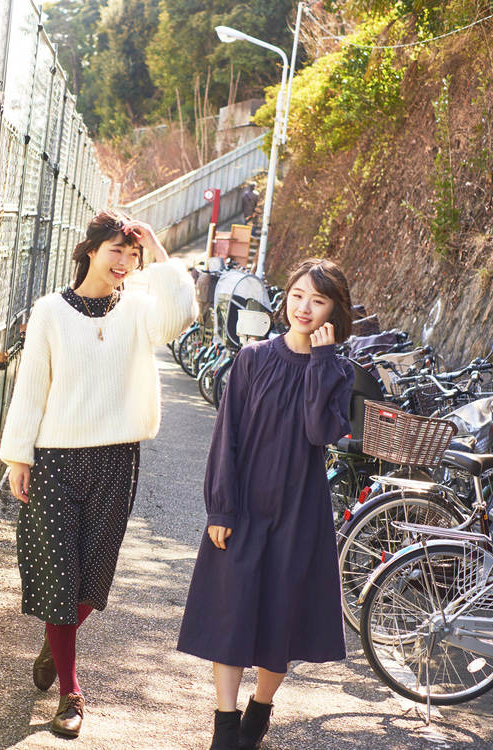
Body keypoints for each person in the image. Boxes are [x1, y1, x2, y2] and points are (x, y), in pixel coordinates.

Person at [0, 209, 196, 739]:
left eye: (133, 256)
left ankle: (54, 639)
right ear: (90, 250)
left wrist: (156, 245)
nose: (126, 264)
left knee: (91, 581)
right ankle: (71, 692)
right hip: (56, 459)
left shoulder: (137, 310)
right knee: (59, 574)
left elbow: (181, 313)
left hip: (115, 457)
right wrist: (19, 456)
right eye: (118, 252)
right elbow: (31, 387)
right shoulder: (48, 313)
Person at [177, 258, 355, 750]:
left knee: (281, 616)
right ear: (285, 299)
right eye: (298, 295)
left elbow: (321, 432)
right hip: (245, 505)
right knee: (232, 615)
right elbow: (226, 436)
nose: (305, 307)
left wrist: (321, 364)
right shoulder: (253, 358)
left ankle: (261, 706)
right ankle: (225, 725)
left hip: (301, 513)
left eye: (318, 301)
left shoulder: (338, 370)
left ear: (333, 312)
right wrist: (220, 507)